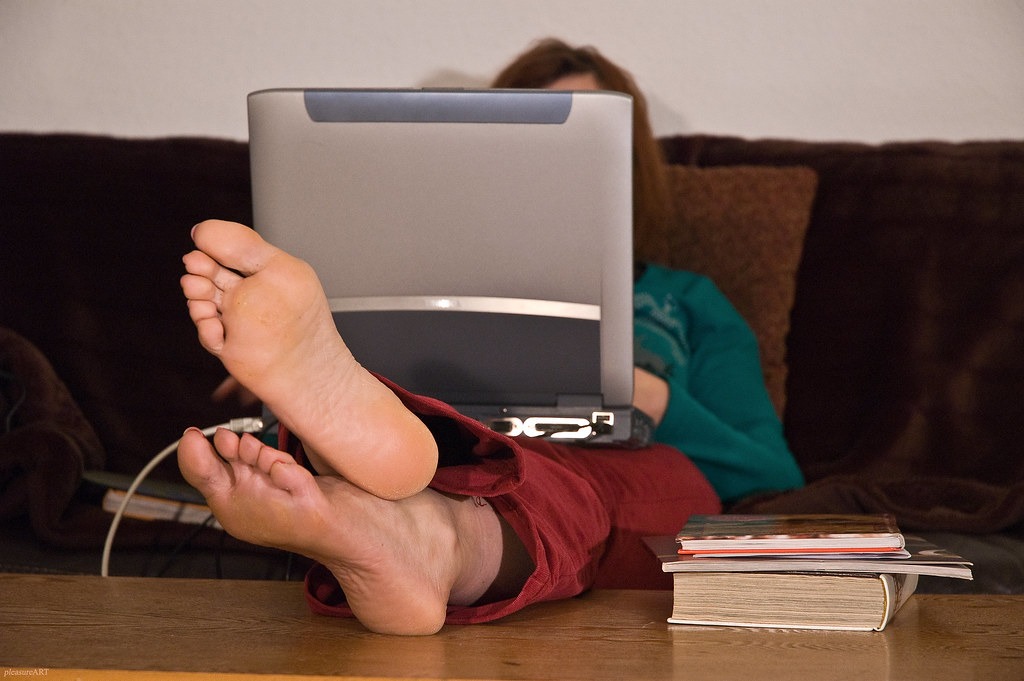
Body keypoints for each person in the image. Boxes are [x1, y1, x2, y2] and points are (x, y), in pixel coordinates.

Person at [179, 218, 720, 635]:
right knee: (461, 454)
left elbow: (766, 464)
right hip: (450, 429)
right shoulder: (421, 278)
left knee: (571, 480)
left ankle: (407, 515)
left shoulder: (685, 297)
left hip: (616, 450)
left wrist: (650, 391)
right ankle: (408, 518)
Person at [493, 38, 804, 502]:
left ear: (627, 162)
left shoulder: (689, 302)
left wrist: (653, 399)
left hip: (611, 487)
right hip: (481, 466)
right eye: (534, 140)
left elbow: (773, 477)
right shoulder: (440, 292)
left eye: (583, 137)